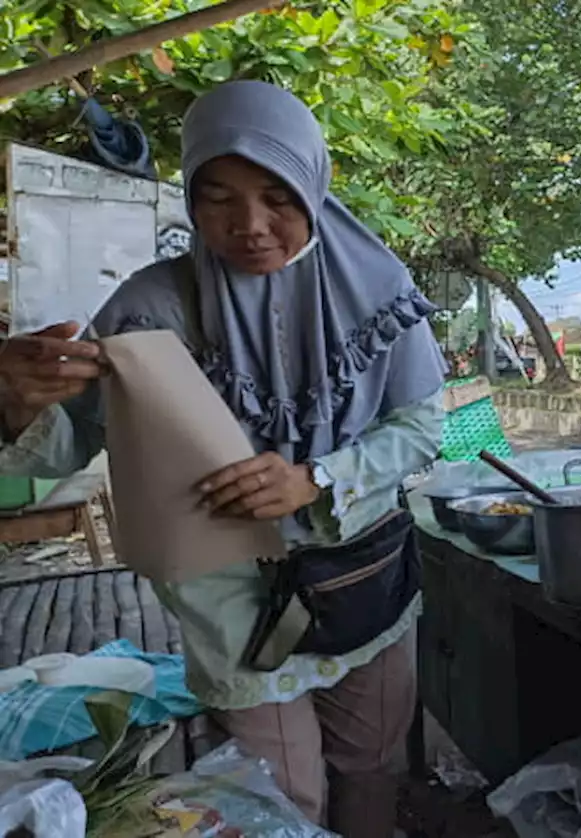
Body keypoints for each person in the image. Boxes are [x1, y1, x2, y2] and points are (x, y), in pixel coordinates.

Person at [0, 81, 449, 838]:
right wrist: (18, 398)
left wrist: (316, 479)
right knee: (282, 795)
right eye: (217, 198)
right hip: (232, 604)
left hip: (359, 580)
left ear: (313, 181)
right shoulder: (151, 308)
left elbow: (421, 427)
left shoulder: (379, 291)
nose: (249, 226)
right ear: (190, 198)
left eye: (277, 195)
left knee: (372, 769)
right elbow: (70, 439)